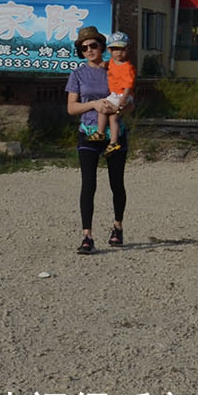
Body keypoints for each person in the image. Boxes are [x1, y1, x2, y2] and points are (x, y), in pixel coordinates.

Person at [64, 26, 128, 255]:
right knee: (88, 183)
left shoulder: (115, 69)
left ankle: (117, 227)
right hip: (88, 132)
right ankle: (87, 236)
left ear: (102, 46)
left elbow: (131, 98)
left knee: (116, 182)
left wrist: (119, 106)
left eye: (93, 45)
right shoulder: (78, 74)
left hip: (115, 133)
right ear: (80, 51)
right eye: (84, 47)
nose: (89, 50)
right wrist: (93, 104)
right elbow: (71, 107)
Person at [101, 31, 137, 154]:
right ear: (110, 50)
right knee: (107, 112)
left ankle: (110, 140)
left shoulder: (127, 67)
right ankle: (106, 137)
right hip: (115, 94)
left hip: (122, 94)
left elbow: (128, 85)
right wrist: (104, 64)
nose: (118, 52)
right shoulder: (111, 62)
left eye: (122, 49)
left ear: (127, 50)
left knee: (109, 113)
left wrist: (124, 98)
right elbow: (109, 67)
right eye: (115, 49)